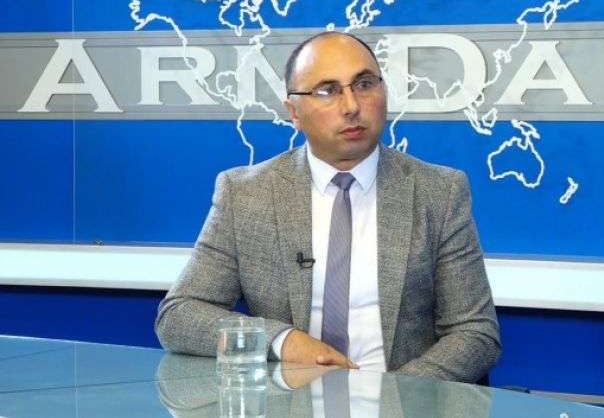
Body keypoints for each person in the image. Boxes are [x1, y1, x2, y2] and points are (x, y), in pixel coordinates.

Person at [155, 31, 500, 383]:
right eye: (327, 90)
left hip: (405, 395)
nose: (351, 106)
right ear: (294, 112)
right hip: (291, 402)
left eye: (364, 84)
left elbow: (475, 333)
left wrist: (395, 396)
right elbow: (179, 316)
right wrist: (283, 341)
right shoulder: (245, 194)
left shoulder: (438, 192)